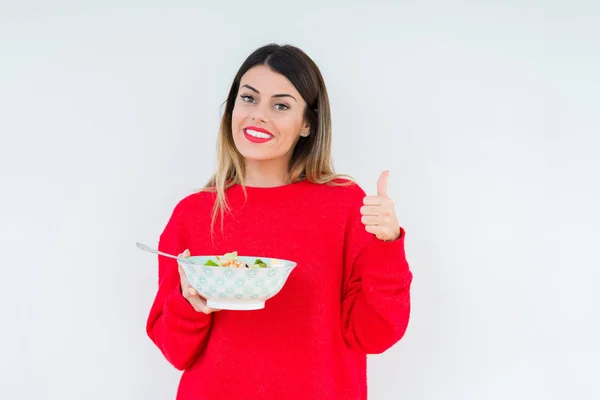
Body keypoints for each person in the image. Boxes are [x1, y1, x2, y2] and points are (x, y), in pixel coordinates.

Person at [146, 43, 413, 400]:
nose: (258, 115)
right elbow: (176, 352)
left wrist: (388, 244)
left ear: (307, 124)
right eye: (249, 98)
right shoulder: (193, 214)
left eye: (281, 105)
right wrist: (189, 305)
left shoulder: (345, 204)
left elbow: (375, 335)